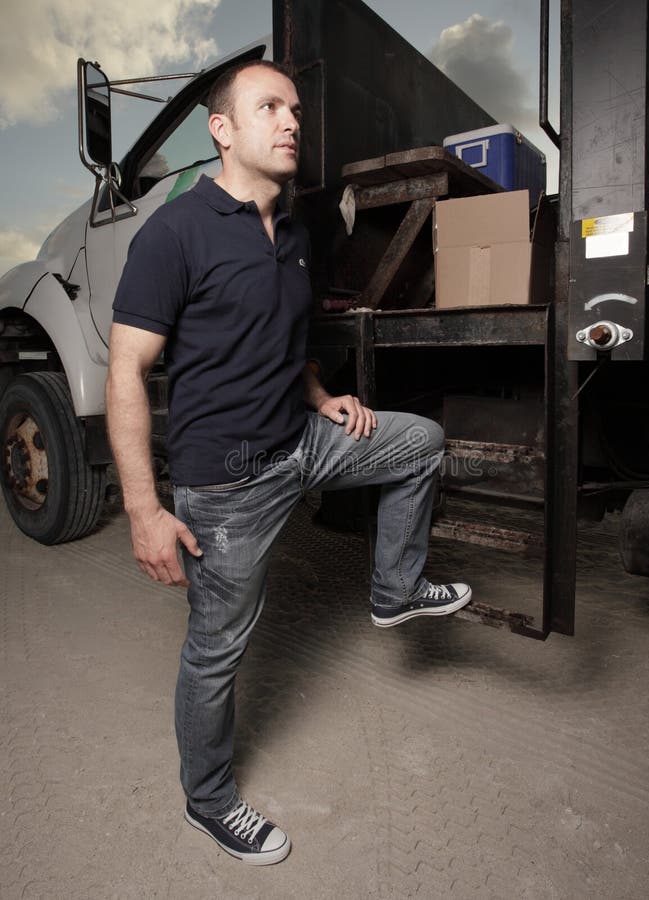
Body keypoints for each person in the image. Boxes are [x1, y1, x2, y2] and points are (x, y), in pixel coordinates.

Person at [105, 59, 471, 866]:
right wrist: (143, 509)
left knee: (416, 444)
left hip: (298, 441)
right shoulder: (174, 231)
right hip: (227, 480)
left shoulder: (297, 231)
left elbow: (282, 337)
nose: (291, 121)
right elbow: (126, 371)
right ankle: (207, 800)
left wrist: (318, 395)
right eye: (268, 106)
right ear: (223, 130)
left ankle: (394, 588)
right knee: (216, 651)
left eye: (295, 108)